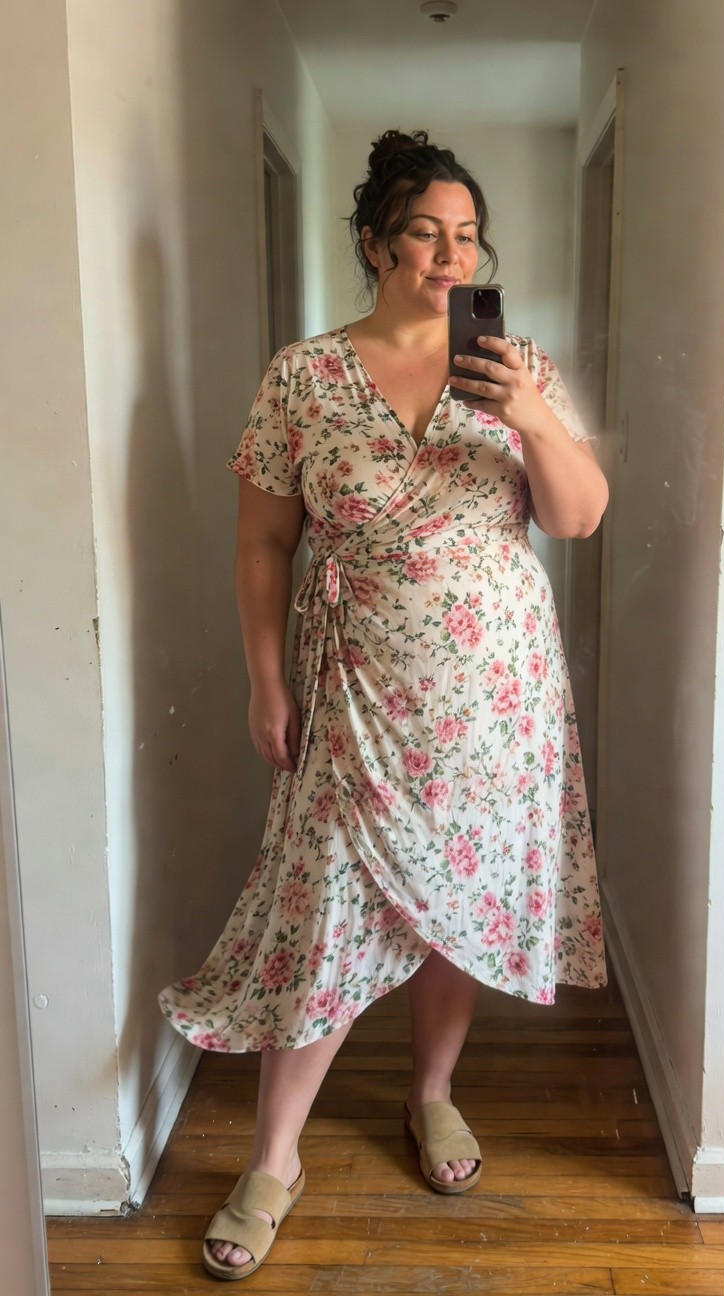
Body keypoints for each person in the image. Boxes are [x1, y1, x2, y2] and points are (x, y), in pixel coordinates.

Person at [158, 128, 609, 1281]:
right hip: (353, 683)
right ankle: (274, 1161)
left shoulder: (517, 366)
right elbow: (264, 540)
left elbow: (577, 517)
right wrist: (265, 680)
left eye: (467, 235)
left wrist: (535, 417)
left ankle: (433, 1094)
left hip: (494, 688)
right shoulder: (302, 376)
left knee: (458, 896)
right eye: (426, 231)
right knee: (325, 915)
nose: (452, 254)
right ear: (374, 242)